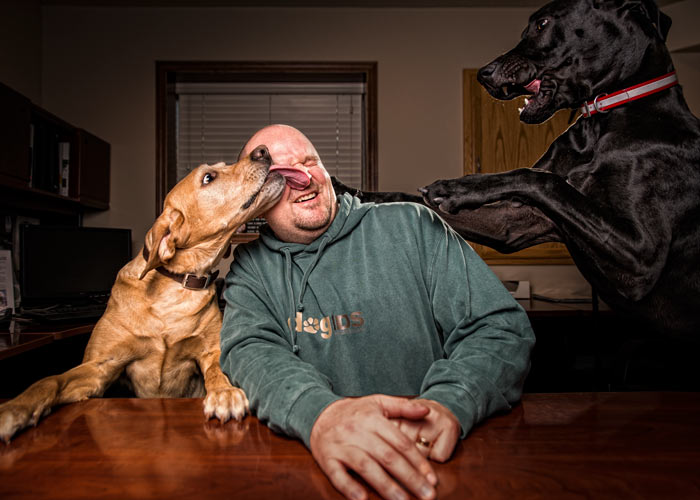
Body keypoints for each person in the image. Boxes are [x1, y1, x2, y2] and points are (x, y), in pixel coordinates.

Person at [220, 124, 535, 500]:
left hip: (435, 463)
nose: (304, 180)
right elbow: (250, 351)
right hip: (317, 471)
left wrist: (450, 402)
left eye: (310, 162)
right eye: (281, 176)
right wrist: (320, 415)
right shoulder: (250, 269)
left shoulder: (412, 226)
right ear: (256, 198)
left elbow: (499, 328)